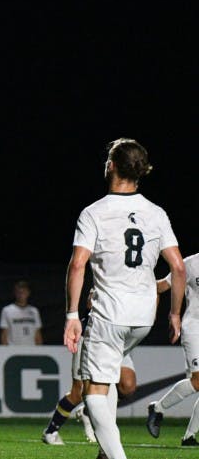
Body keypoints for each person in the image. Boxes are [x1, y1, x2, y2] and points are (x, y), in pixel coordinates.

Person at [63, 137, 186, 459]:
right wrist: (174, 315)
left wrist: (72, 315)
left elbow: (77, 264)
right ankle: (106, 453)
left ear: (112, 166)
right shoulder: (156, 213)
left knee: (93, 391)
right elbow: (177, 268)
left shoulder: (95, 212)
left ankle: (116, 456)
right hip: (144, 316)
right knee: (112, 375)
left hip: (109, 313)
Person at [42, 283, 163, 445]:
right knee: (78, 393)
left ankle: (88, 411)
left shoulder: (140, 280)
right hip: (93, 337)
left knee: (128, 386)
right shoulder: (109, 276)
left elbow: (159, 288)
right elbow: (91, 302)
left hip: (119, 341)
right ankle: (50, 431)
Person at [146, 255, 199, 446]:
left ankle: (189, 437)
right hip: (195, 328)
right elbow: (163, 286)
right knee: (198, 380)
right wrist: (131, 284)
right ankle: (157, 408)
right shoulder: (191, 264)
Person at [0, 280, 43, 345]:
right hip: (14, 349)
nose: (21, 295)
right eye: (19, 292)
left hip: (31, 349)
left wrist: (40, 350)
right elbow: (4, 334)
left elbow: (37, 333)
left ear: (28, 293)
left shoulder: (34, 311)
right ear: (15, 293)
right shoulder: (7, 310)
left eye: (24, 292)